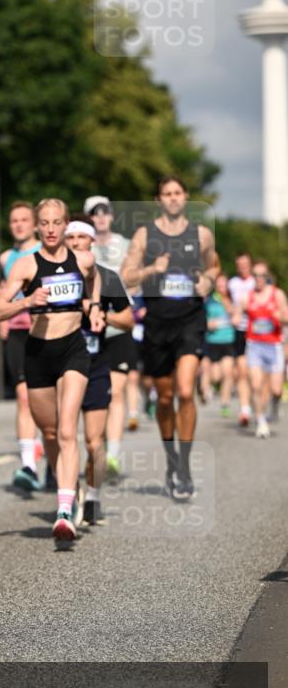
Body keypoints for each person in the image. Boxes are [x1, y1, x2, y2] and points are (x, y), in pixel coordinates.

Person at [0, 199, 104, 547]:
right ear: (39, 227)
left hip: (73, 350)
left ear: (67, 225)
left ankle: (64, 511)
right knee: (51, 432)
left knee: (68, 430)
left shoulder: (82, 259)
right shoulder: (25, 265)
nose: (52, 229)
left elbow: (94, 278)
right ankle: (71, 483)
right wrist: (27, 302)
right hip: (38, 354)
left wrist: (95, 306)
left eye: (58, 222)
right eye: (46, 223)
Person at [122, 175, 220, 500]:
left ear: (186, 197)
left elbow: (215, 265)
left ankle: (186, 468)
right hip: (157, 324)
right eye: (167, 193)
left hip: (190, 321)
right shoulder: (145, 234)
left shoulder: (201, 233)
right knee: (165, 399)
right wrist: (152, 270)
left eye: (178, 193)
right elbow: (126, 275)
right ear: (159, 199)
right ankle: (171, 460)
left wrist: (208, 281)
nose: (174, 198)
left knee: (185, 391)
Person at [66, 215, 133, 525]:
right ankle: (66, 495)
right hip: (62, 365)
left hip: (95, 362)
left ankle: (92, 495)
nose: (76, 243)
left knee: (94, 441)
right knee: (62, 435)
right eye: (71, 238)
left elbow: (129, 319)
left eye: (81, 238)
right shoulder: (54, 277)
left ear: (92, 241)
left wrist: (103, 316)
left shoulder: (107, 277)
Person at [84, 195, 135, 473]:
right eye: (94, 213)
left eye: (104, 212)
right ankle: (96, 447)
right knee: (95, 398)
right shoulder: (78, 247)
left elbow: (137, 279)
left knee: (116, 392)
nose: (100, 217)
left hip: (117, 328)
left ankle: (112, 456)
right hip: (87, 332)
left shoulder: (125, 246)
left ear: (112, 216)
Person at [0, 201, 43, 491]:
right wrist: (2, 314)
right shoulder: (5, 258)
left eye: (24, 219)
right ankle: (28, 464)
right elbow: (5, 289)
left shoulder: (45, 252)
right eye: (14, 220)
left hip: (46, 328)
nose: (19, 225)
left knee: (50, 400)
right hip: (17, 330)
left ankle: (51, 454)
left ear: (35, 223)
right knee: (24, 397)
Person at [233, 260, 287, 437]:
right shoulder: (247, 297)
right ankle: (261, 421)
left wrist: (281, 317)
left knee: (277, 390)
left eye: (262, 275)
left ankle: (274, 406)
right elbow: (237, 314)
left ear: (267, 277)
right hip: (254, 345)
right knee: (255, 385)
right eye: (255, 275)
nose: (258, 279)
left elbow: (286, 317)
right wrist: (235, 317)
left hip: (274, 345)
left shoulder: (277, 295)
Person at [199, 273, 235, 415]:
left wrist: (227, 304)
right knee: (214, 375)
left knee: (228, 374)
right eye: (219, 285)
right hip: (212, 341)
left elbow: (236, 315)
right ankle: (205, 389)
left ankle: (225, 404)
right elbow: (202, 319)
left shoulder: (232, 299)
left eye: (223, 285)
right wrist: (209, 324)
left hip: (227, 340)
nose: (221, 287)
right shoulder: (210, 301)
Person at [228, 252, 255, 426]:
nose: (242, 267)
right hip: (240, 331)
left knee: (255, 373)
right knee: (242, 370)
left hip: (258, 333)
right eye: (240, 265)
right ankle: (245, 409)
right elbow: (228, 303)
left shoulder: (257, 281)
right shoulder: (233, 283)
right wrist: (234, 312)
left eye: (245, 264)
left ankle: (257, 399)